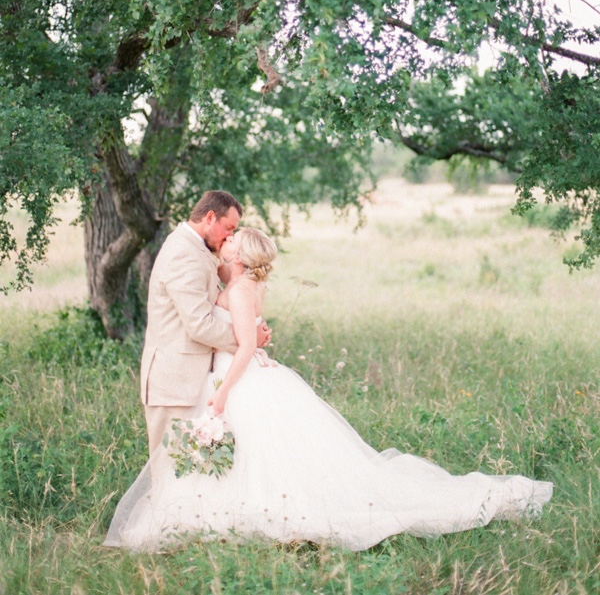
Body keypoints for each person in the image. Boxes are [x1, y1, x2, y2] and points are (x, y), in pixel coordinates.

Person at [105, 227, 552, 552]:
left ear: (240, 256)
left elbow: (242, 347)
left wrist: (221, 395)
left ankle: (263, 519)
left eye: (232, 240)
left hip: (238, 377)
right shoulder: (243, 283)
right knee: (251, 455)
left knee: (255, 454)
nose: (227, 241)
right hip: (239, 373)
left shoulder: (239, 289)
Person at [140, 190, 271, 455]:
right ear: (210, 218)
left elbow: (235, 282)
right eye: (229, 228)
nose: (230, 236)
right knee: (171, 471)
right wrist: (248, 340)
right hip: (175, 383)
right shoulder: (183, 253)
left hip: (194, 381)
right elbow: (199, 324)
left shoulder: (200, 248)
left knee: (194, 473)